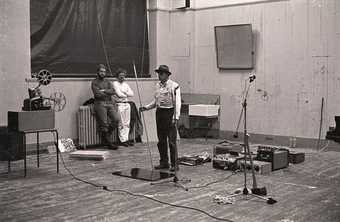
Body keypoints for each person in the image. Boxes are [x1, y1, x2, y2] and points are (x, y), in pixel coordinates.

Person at [140, 65, 181, 172]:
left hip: (170, 112)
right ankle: (164, 162)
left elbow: (178, 103)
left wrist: (175, 117)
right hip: (160, 113)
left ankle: (175, 164)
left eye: (161, 73)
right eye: (158, 73)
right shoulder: (157, 85)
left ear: (167, 75)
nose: (159, 75)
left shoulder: (174, 86)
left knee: (171, 141)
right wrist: (146, 107)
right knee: (161, 140)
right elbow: (156, 101)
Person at [91, 64, 120, 150]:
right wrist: (108, 92)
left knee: (116, 119)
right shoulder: (94, 82)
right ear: (97, 72)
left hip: (109, 103)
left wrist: (104, 91)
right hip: (99, 103)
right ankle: (108, 143)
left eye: (104, 71)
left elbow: (113, 91)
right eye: (101, 71)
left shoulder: (108, 81)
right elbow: (97, 94)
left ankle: (106, 136)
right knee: (104, 124)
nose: (103, 73)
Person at [113, 68, 134, 147]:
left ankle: (126, 139)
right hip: (119, 104)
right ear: (117, 76)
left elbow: (132, 93)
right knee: (121, 123)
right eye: (120, 76)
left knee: (127, 123)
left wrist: (124, 93)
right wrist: (126, 94)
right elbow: (119, 94)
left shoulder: (126, 84)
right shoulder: (115, 83)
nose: (122, 77)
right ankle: (122, 140)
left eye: (123, 76)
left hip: (127, 104)